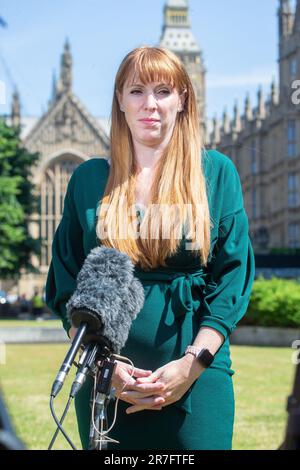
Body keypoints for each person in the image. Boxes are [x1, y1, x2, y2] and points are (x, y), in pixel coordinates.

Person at [45, 46, 255, 450]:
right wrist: (106, 368)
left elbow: (232, 280)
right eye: (137, 91)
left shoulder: (215, 173)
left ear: (183, 99)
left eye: (163, 91)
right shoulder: (89, 179)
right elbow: (66, 284)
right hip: (106, 381)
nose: (150, 104)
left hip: (198, 379)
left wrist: (191, 365)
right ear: (120, 101)